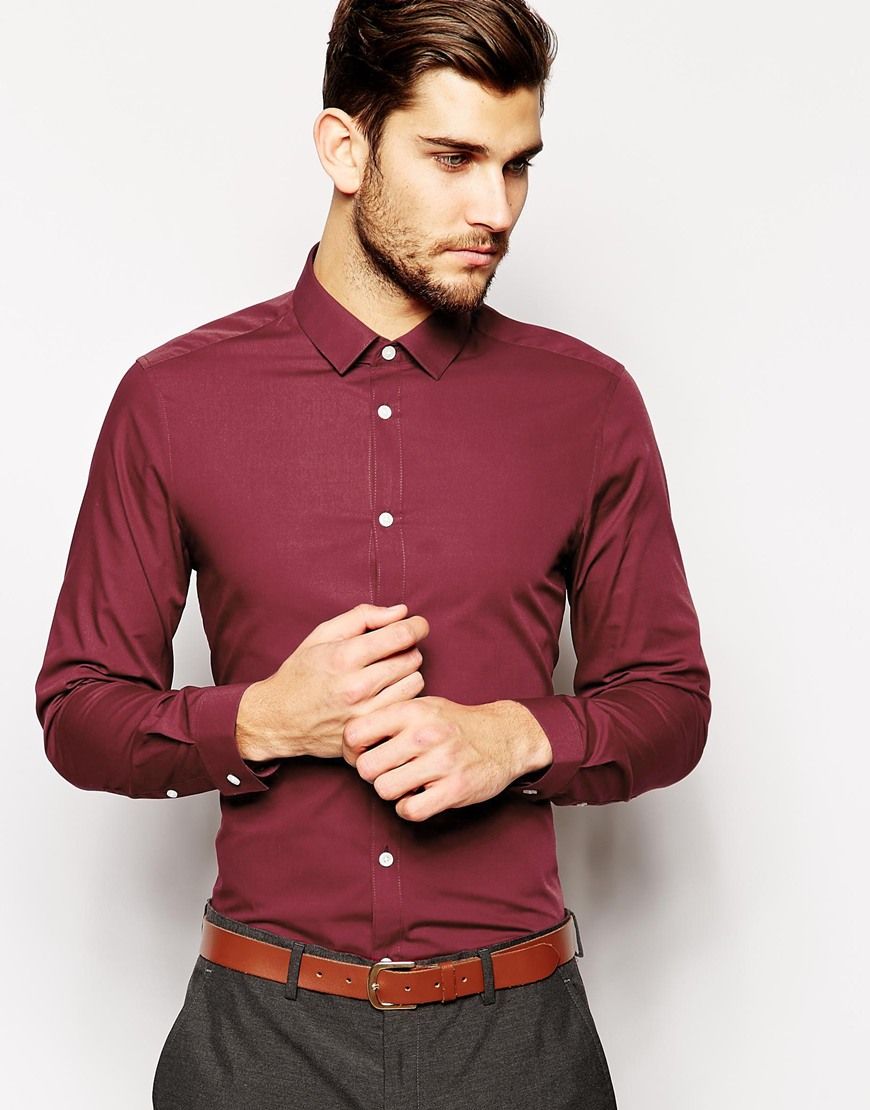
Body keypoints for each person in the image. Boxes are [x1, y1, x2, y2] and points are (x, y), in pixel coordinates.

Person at [35, 1, 711, 1106]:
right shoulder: (173, 401)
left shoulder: (587, 405)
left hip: (519, 1046)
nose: (496, 209)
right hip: (260, 1044)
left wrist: (517, 736)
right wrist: (263, 719)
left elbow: (670, 701)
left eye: (516, 165)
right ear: (345, 150)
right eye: (452, 158)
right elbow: (79, 708)